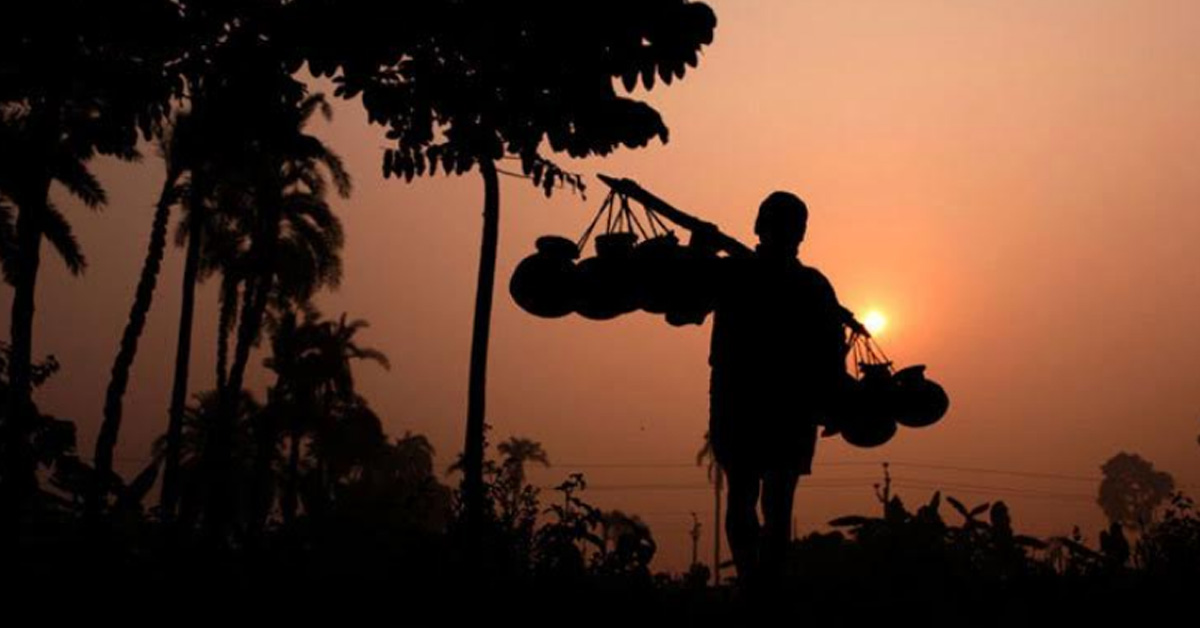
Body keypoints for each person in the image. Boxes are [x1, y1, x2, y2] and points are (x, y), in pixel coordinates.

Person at [681, 191, 852, 589]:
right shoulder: (753, 277)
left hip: (769, 405)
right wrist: (698, 255)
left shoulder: (749, 276)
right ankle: (759, 583)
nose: (790, 233)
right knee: (763, 497)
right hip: (757, 403)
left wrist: (699, 256)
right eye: (788, 226)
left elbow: (831, 355)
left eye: (793, 226)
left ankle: (759, 584)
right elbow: (686, 309)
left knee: (758, 497)